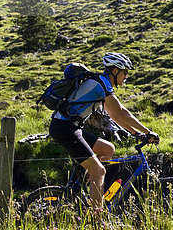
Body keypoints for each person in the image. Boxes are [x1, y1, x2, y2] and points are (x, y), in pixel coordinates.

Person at [49, 52, 159, 213]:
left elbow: (114, 115)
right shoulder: (101, 84)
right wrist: (148, 132)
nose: (126, 76)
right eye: (125, 72)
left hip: (69, 127)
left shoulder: (101, 83)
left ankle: (81, 189)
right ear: (115, 71)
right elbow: (122, 112)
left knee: (108, 149)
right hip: (65, 128)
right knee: (99, 171)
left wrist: (136, 133)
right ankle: (97, 220)